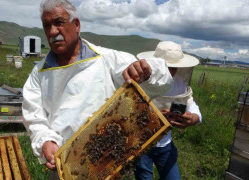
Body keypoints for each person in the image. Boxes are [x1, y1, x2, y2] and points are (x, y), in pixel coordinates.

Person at [22, 0, 173, 178]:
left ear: (76, 24)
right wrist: (46, 142)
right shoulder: (38, 74)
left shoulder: (107, 59)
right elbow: (34, 117)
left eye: (59, 22)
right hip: (64, 168)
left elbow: (162, 78)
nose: (53, 31)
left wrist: (147, 70)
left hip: (108, 166)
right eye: (47, 26)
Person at [135, 41, 202, 180]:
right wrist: (152, 117)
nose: (171, 71)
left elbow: (190, 103)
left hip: (165, 144)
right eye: (167, 66)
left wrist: (193, 118)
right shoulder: (141, 80)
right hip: (141, 144)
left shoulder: (179, 84)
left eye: (175, 67)